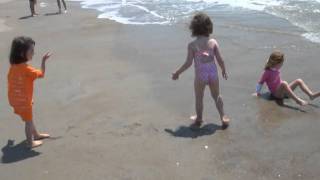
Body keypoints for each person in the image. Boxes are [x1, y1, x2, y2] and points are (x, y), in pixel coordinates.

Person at [172, 12, 230, 128]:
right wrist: (223, 70)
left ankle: (199, 118)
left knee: (199, 97)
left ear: (193, 28)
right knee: (217, 95)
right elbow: (220, 59)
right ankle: (223, 116)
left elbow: (188, 63)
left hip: (200, 75)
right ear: (209, 27)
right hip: (213, 73)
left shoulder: (192, 45)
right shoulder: (213, 42)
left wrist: (177, 72)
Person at [8, 36, 52, 148]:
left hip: (14, 98)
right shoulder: (27, 69)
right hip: (23, 100)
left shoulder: (13, 66)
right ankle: (30, 142)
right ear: (22, 53)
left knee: (29, 118)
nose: (34, 53)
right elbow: (41, 74)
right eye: (31, 50)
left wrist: (9, 145)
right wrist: (43, 61)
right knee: (28, 121)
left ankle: (36, 135)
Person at [253, 51, 320, 105]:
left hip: (283, 91)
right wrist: (257, 92)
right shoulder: (267, 72)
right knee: (284, 83)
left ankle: (311, 95)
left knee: (298, 80)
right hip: (276, 94)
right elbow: (260, 82)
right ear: (276, 63)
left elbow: (269, 60)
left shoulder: (275, 67)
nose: (282, 65)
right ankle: (297, 100)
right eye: (281, 64)